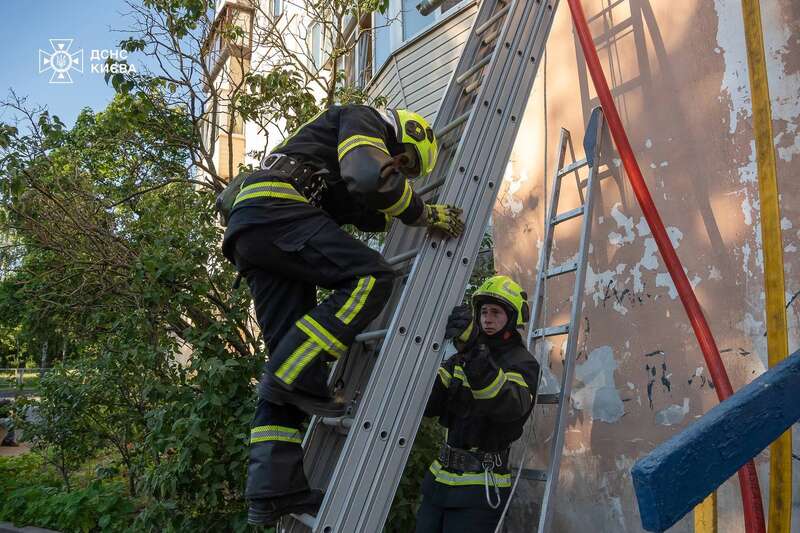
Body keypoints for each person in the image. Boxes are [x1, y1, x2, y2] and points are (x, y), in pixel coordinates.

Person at [220, 104, 465, 525]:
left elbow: (366, 205)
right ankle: (293, 372)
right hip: (277, 211)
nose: (398, 171)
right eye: (402, 162)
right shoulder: (363, 117)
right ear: (400, 135)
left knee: (289, 376)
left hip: (254, 230)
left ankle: (275, 491)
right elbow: (370, 177)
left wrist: (395, 209)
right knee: (372, 278)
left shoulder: (326, 158)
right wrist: (424, 214)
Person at [415, 275, 540, 533]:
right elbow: (429, 405)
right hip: (438, 483)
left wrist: (473, 352)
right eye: (483, 312)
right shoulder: (461, 357)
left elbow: (508, 407)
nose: (487, 319)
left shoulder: (522, 363)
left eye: (495, 312)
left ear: (512, 317)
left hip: (479, 489)